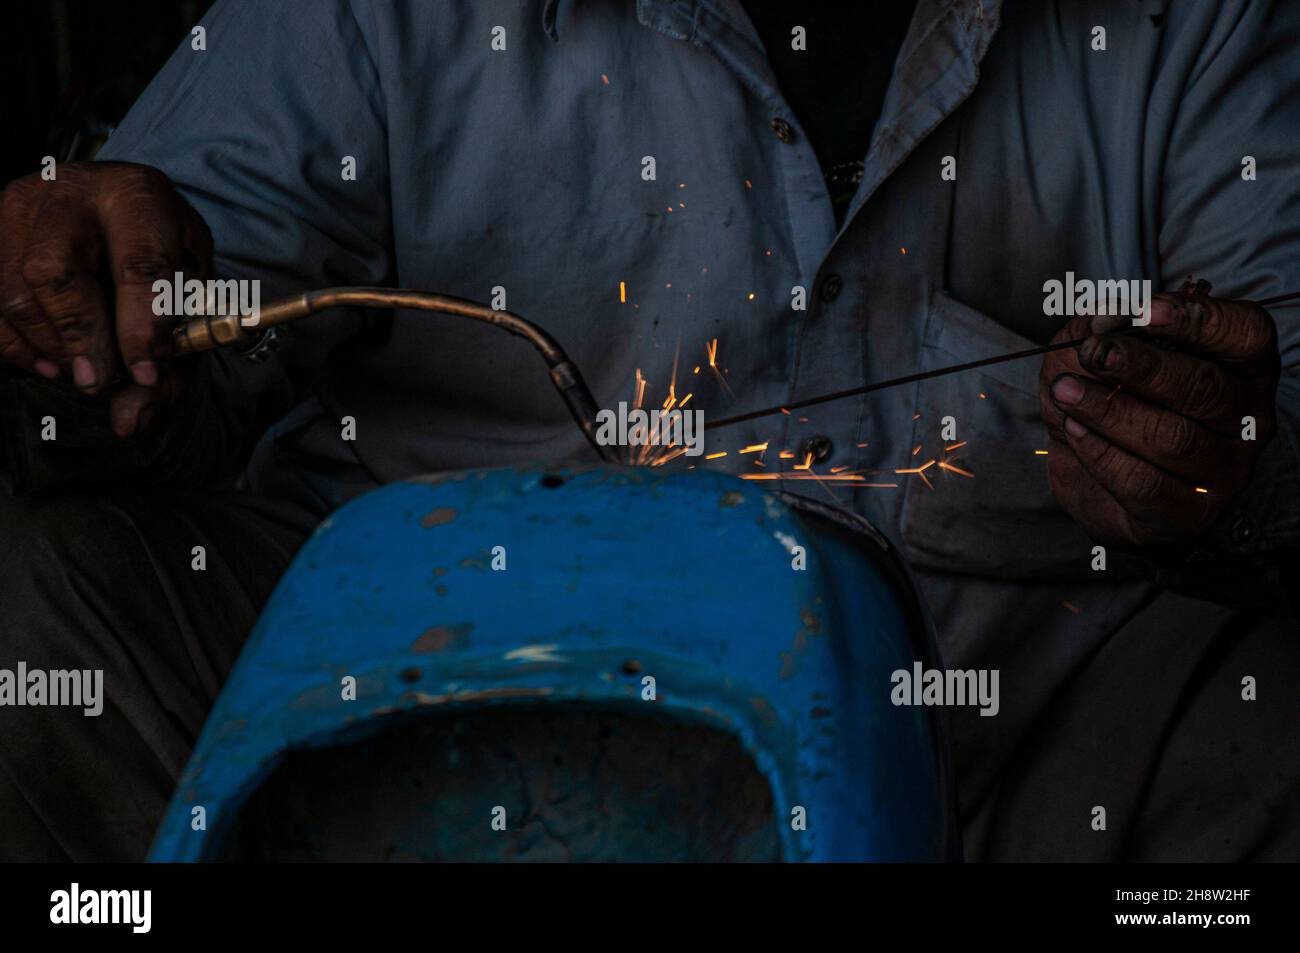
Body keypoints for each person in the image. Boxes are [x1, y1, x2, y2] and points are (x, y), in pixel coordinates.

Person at [1, 0, 1297, 861]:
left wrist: (1230, 475)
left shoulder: (1194, 25)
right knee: (40, 617)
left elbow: (1280, 429)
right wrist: (71, 327)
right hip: (408, 718)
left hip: (992, 750)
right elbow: (124, 362)